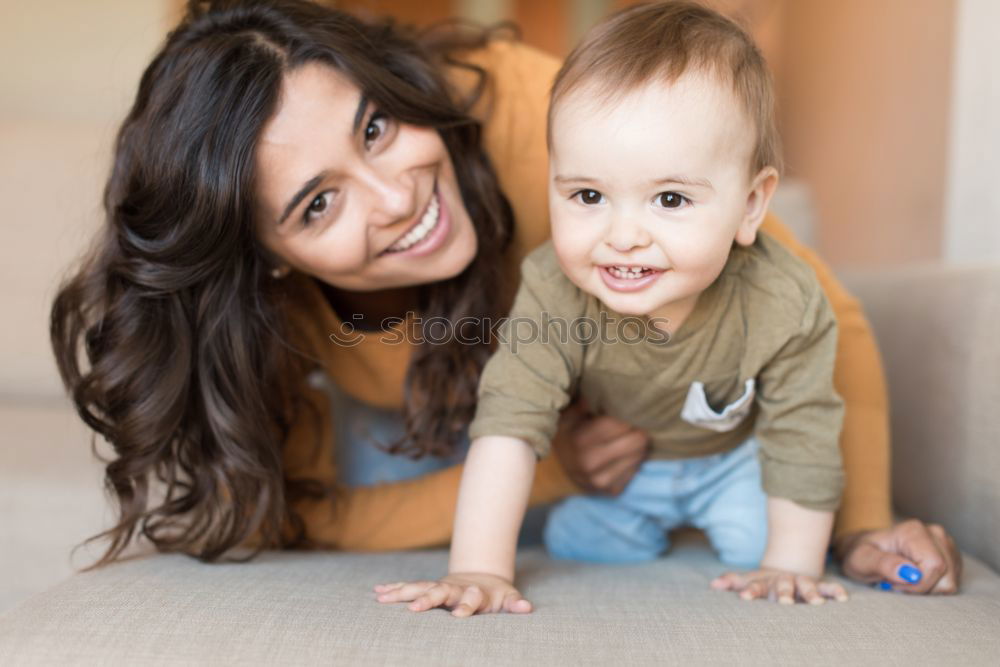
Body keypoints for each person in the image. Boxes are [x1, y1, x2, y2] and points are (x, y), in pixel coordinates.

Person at [50, 0, 960, 595]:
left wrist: (866, 526)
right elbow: (300, 508)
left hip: (640, 402)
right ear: (268, 260)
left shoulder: (550, 123)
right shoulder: (275, 318)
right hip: (468, 426)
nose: (399, 195)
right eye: (318, 203)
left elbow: (813, 313)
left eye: (375, 126)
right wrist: (551, 476)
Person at [376, 0, 852, 614]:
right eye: (590, 194)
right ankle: (646, 525)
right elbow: (509, 425)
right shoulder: (553, 285)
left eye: (671, 199)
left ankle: (753, 538)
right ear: (554, 183)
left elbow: (804, 433)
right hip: (628, 474)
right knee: (575, 537)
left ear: (752, 205)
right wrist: (479, 570)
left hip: (734, 461)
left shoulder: (782, 299)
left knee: (768, 541)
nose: (623, 235)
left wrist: (790, 566)